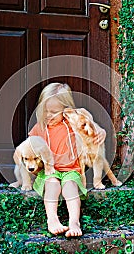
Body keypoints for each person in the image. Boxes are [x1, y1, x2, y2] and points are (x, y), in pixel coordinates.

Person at [28, 83, 106, 237]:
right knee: (53, 185)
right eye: (46, 111)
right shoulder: (40, 127)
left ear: (66, 110)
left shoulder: (71, 123)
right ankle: (52, 220)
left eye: (54, 112)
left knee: (70, 187)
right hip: (49, 171)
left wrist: (101, 131)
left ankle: (74, 222)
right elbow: (29, 147)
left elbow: (90, 126)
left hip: (71, 169)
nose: (49, 115)